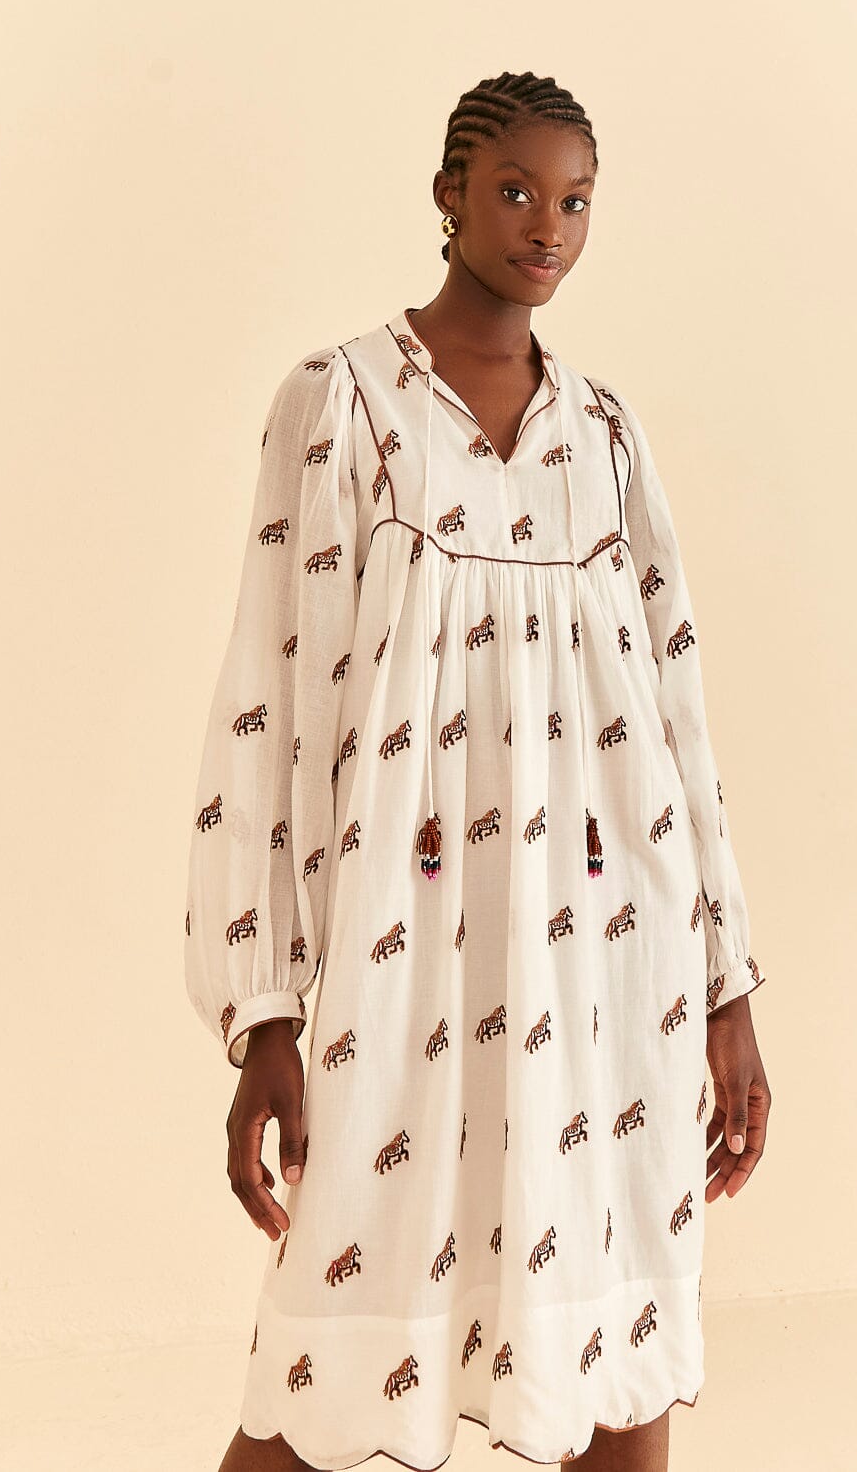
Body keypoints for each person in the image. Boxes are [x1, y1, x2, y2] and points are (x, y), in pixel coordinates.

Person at [185, 71, 772, 1472]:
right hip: (402, 962)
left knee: (617, 1350)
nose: (547, 226)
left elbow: (676, 710)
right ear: (448, 195)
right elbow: (266, 705)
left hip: (610, 959)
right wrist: (265, 1009)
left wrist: (727, 985)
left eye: (576, 201)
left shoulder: (606, 436)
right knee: (335, 1341)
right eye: (515, 191)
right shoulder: (340, 405)